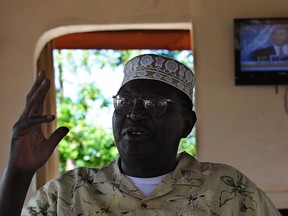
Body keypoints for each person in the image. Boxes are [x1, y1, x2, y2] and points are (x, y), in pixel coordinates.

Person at [0, 54, 281, 215]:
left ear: (186, 124)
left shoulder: (229, 190)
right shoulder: (67, 194)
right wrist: (18, 173)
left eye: (155, 105)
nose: (134, 114)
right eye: (124, 103)